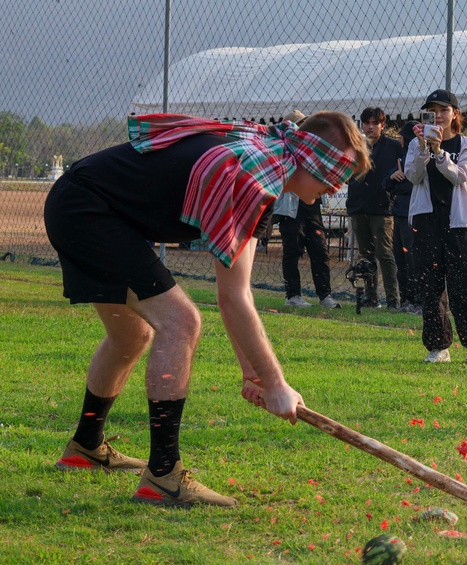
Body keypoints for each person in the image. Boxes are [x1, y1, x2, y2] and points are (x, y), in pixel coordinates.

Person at [44, 111, 370, 506]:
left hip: (86, 205)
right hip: (87, 210)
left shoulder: (264, 172)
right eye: (334, 177)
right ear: (312, 160)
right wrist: (277, 383)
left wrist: (255, 373)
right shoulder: (251, 177)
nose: (334, 189)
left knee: (132, 334)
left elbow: (238, 290)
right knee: (180, 321)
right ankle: (164, 475)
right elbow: (232, 298)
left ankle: (85, 446)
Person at [404, 89, 467, 363]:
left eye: (444, 110)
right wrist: (422, 148)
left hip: (458, 224)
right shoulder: (415, 145)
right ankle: (437, 346)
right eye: (433, 111)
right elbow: (412, 175)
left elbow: (460, 177)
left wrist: (440, 151)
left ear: (455, 114)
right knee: (429, 286)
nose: (439, 116)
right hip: (425, 220)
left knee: (464, 284)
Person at [273, 111, 340, 309]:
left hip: (313, 208)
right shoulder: (283, 149)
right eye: (299, 125)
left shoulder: (314, 149)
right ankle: (292, 296)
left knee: (320, 251)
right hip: (291, 210)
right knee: (292, 252)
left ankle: (325, 295)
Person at [347, 107, 403, 309]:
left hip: (382, 208)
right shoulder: (355, 145)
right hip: (358, 205)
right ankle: (371, 299)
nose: (370, 127)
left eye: (374, 123)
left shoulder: (394, 147)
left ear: (382, 125)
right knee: (366, 254)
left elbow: (404, 169)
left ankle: (393, 300)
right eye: (366, 123)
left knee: (385, 254)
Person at [384, 121, 420, 314]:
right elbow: (385, 182)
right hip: (399, 215)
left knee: (412, 259)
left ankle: (417, 300)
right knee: (400, 259)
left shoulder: (418, 158)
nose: (400, 140)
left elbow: (411, 185)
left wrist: (395, 182)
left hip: (411, 215)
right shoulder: (403, 158)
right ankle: (405, 298)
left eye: (402, 136)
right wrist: (393, 178)